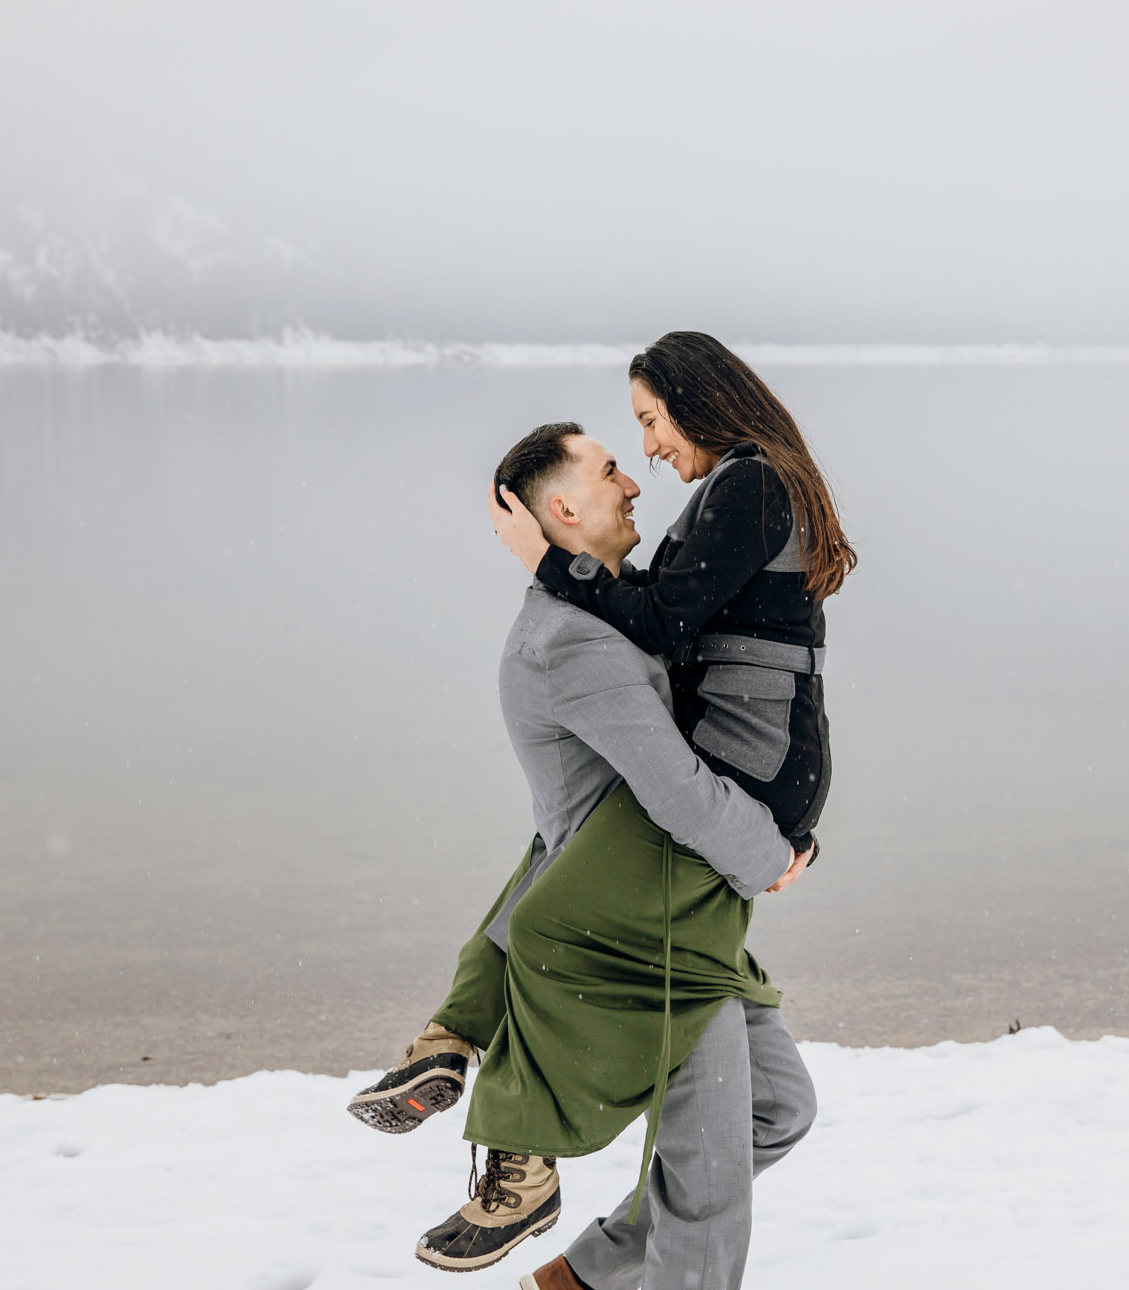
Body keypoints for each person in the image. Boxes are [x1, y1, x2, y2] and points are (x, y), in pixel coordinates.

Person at [348, 422, 817, 1288]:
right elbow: (675, 790)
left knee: (779, 1109)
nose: (634, 482)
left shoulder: (599, 612)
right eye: (610, 470)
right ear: (563, 505)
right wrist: (777, 851)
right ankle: (525, 1165)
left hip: (672, 905)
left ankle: (582, 1273)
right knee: (708, 1191)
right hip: (646, 935)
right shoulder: (573, 645)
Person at [490, 330, 853, 857]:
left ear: (694, 402)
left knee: (566, 881)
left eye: (650, 421)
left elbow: (659, 619)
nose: (650, 448)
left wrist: (546, 560)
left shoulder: (752, 484)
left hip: (758, 765)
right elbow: (664, 600)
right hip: (775, 763)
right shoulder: (749, 480)